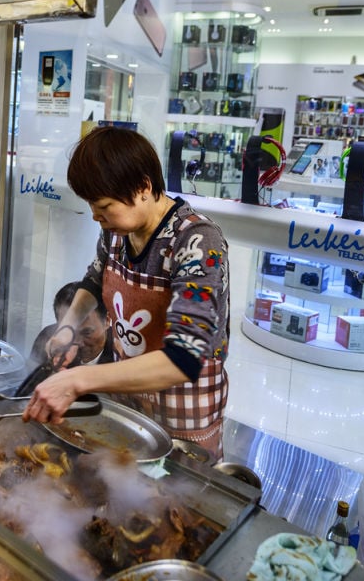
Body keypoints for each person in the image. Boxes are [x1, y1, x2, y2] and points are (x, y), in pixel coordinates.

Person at [23, 126, 230, 462]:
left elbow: (183, 359)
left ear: (143, 187)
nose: (95, 215)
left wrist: (77, 380)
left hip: (182, 421)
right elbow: (92, 282)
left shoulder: (196, 241)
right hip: (129, 405)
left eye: (103, 205)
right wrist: (67, 328)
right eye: (92, 204)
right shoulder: (116, 233)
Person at [29, 281, 114, 368]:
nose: (78, 343)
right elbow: (31, 374)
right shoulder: (48, 338)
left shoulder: (121, 349)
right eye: (69, 332)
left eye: (87, 332)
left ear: (107, 320)